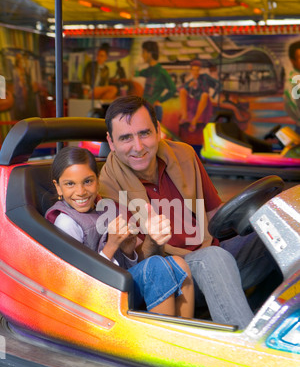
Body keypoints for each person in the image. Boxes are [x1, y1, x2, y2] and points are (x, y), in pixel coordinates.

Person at [99, 95, 280, 329]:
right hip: (174, 273)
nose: (138, 146)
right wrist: (153, 241)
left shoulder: (184, 155)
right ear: (111, 142)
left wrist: (254, 216)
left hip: (215, 253)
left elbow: (215, 214)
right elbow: (137, 265)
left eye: (144, 133)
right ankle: (245, 353)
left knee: (283, 232)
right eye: (125, 138)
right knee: (212, 257)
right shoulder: (107, 185)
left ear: (158, 131)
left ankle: (272, 324)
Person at [45, 146, 194, 318]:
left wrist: (127, 250)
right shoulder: (66, 222)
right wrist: (112, 245)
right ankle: (164, 340)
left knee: (179, 264)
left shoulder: (103, 208)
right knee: (156, 267)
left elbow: (124, 266)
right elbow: (78, 283)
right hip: (93, 297)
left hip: (117, 283)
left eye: (88, 181)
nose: (80, 192)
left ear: (98, 180)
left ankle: (186, 332)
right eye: (70, 184)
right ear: (58, 188)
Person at [135, 41, 176, 121]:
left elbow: (173, 89)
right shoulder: (148, 70)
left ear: (150, 53)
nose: (142, 55)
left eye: (144, 52)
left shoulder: (161, 72)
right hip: (145, 108)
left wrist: (159, 100)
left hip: (154, 110)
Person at [179, 59, 220, 132]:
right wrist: (188, 86)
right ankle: (184, 116)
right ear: (191, 71)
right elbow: (179, 89)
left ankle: (194, 120)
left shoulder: (205, 77)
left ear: (200, 70)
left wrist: (213, 96)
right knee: (182, 91)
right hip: (195, 100)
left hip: (204, 100)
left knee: (204, 95)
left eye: (197, 70)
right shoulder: (191, 80)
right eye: (194, 70)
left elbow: (219, 84)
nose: (195, 72)